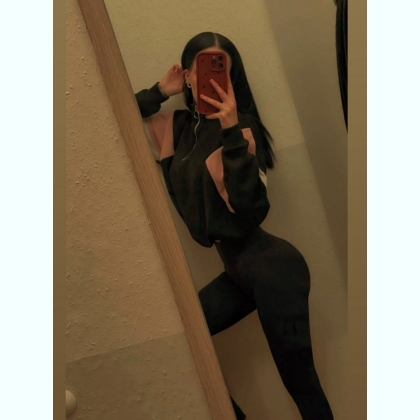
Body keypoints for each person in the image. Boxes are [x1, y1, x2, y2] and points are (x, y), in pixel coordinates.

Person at [135, 32, 334, 420]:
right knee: (186, 339)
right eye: (202, 67)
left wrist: (230, 130)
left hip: (276, 270)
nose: (212, 75)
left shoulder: (241, 128)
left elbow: (250, 209)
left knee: (302, 384)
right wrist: (159, 91)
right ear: (187, 75)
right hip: (238, 273)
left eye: (222, 68)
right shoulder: (177, 129)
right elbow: (113, 112)